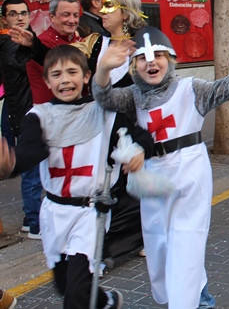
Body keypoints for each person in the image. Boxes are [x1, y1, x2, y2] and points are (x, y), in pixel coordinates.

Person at [91, 26, 229, 308]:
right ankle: (199, 299)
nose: (151, 63)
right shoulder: (134, 94)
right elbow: (104, 99)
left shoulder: (190, 87)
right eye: (143, 58)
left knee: (185, 245)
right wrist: (104, 70)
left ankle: (196, 304)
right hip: (153, 177)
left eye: (158, 55)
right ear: (135, 66)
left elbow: (225, 88)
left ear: (170, 59)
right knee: (160, 246)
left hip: (188, 173)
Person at [0, 44, 154, 309]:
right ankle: (105, 301)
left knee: (75, 294)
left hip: (89, 214)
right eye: (57, 74)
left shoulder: (103, 112)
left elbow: (142, 138)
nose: (65, 80)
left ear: (85, 77)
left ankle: (95, 298)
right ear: (47, 81)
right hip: (53, 212)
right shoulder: (38, 116)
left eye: (72, 72)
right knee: (64, 286)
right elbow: (31, 149)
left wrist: (140, 153)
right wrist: (12, 161)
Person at [11, 0, 148, 259]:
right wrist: (34, 46)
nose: (102, 12)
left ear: (125, 12)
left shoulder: (142, 46)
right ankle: (98, 245)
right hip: (97, 123)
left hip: (132, 124)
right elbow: (66, 64)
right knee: (106, 181)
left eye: (110, 6)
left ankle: (134, 238)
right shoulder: (96, 42)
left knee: (130, 180)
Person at [0, 0, 39, 239]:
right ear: (5, 19)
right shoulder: (9, 43)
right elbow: (30, 66)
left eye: (23, 13)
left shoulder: (23, 40)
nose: (20, 17)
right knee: (31, 167)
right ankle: (34, 222)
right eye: (14, 14)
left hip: (23, 108)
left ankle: (31, 218)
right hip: (22, 110)